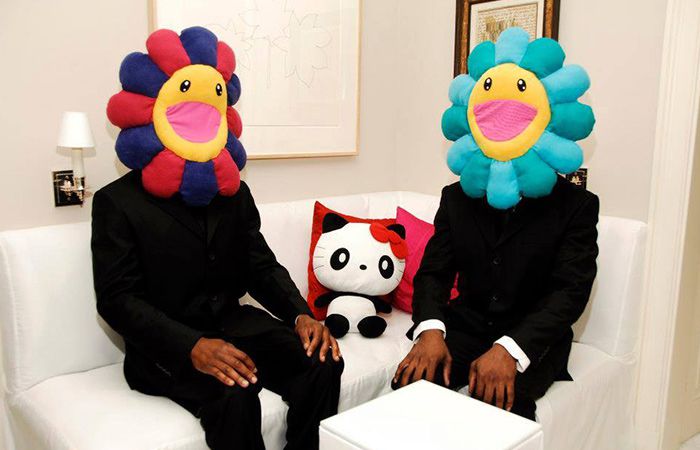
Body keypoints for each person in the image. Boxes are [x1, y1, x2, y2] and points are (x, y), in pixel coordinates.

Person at [92, 27, 343, 450]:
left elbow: (260, 266)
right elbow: (117, 299)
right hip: (167, 348)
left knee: (323, 361)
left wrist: (301, 315)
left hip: (234, 325)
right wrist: (191, 346)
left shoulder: (232, 191)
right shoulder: (116, 202)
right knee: (235, 395)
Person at [393, 27, 599, 420]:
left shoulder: (576, 206)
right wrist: (431, 329)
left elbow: (570, 292)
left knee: (497, 409)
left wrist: (509, 349)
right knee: (408, 388)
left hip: (530, 338)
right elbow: (434, 272)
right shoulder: (457, 197)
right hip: (465, 326)